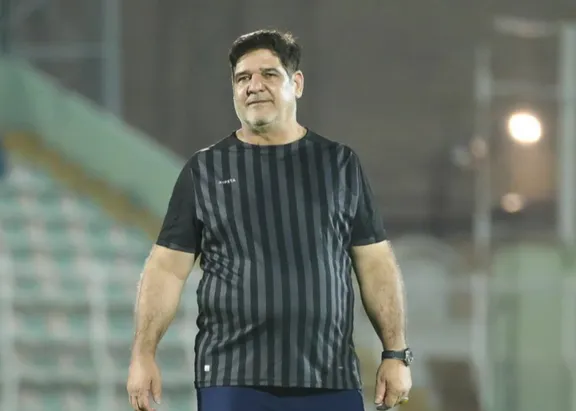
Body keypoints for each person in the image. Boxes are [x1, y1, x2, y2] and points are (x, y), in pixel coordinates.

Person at [127, 29, 413, 411]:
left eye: (269, 74)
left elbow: (375, 263)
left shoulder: (340, 164)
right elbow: (166, 269)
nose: (254, 86)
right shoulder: (205, 170)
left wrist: (396, 353)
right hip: (232, 379)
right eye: (243, 78)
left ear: (297, 83)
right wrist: (143, 355)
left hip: (329, 377)